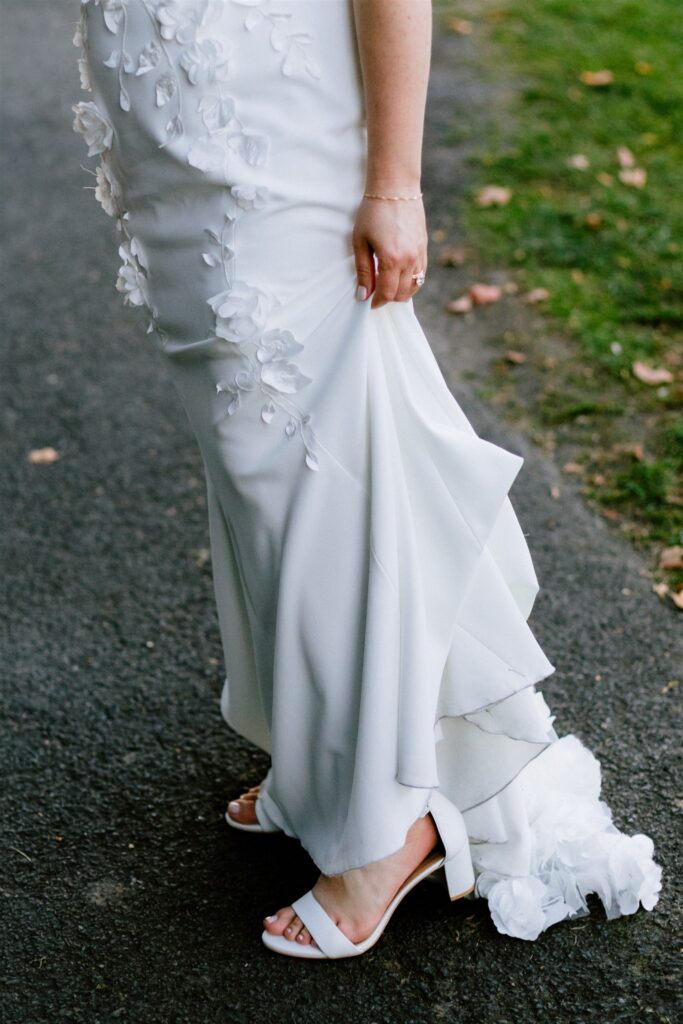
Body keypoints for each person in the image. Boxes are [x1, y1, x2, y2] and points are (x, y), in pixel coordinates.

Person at [72, 0, 662, 959]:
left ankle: (386, 822)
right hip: (175, 138)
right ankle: (322, 761)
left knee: (307, 470)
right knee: (255, 465)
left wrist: (393, 181)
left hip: (270, 129)